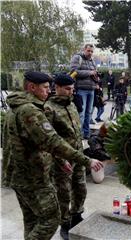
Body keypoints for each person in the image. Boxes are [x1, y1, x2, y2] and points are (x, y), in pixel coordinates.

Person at [2, 71, 103, 240]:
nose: (48, 91)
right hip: (33, 176)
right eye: (45, 88)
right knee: (51, 218)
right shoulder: (29, 111)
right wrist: (87, 160)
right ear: (32, 87)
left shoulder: (17, 107)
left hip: (21, 175)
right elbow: (52, 141)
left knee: (32, 220)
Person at [44, 74, 92, 240]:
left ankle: (77, 216)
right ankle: (64, 224)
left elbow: (76, 133)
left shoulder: (71, 104)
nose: (71, 92)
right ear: (56, 87)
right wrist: (60, 160)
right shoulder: (48, 108)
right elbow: (49, 140)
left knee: (81, 189)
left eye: (72, 89)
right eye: (67, 89)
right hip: (62, 160)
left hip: (78, 156)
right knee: (63, 194)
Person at [70, 44, 98, 139]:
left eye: (92, 51)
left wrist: (96, 79)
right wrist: (90, 73)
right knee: (81, 113)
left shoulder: (92, 61)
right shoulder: (77, 57)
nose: (90, 53)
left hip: (91, 89)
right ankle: (79, 134)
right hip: (81, 89)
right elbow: (74, 72)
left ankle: (86, 133)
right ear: (84, 50)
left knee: (89, 113)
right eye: (88, 51)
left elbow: (94, 73)